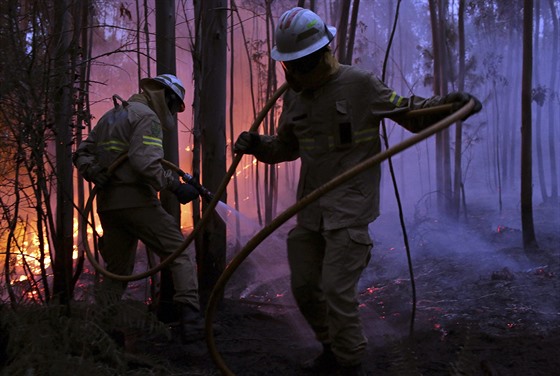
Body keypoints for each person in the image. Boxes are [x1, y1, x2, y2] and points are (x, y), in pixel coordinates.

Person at [234, 7, 482, 376]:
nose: (293, 74)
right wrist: (256, 145)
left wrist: (451, 106)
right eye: (289, 66)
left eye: (300, 65)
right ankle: (332, 348)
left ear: (320, 56)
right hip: (311, 208)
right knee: (304, 286)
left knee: (336, 288)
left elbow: (409, 113)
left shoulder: (360, 85)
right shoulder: (295, 97)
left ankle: (350, 363)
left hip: (349, 208)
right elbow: (286, 148)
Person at [73, 73, 205, 344]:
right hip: (137, 201)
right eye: (173, 105)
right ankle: (192, 325)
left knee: (117, 270)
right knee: (179, 252)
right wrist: (175, 186)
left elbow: (81, 153)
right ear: (165, 96)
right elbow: (146, 163)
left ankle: (103, 334)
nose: (171, 112)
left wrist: (95, 171)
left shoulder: (111, 116)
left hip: (108, 206)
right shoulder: (147, 117)